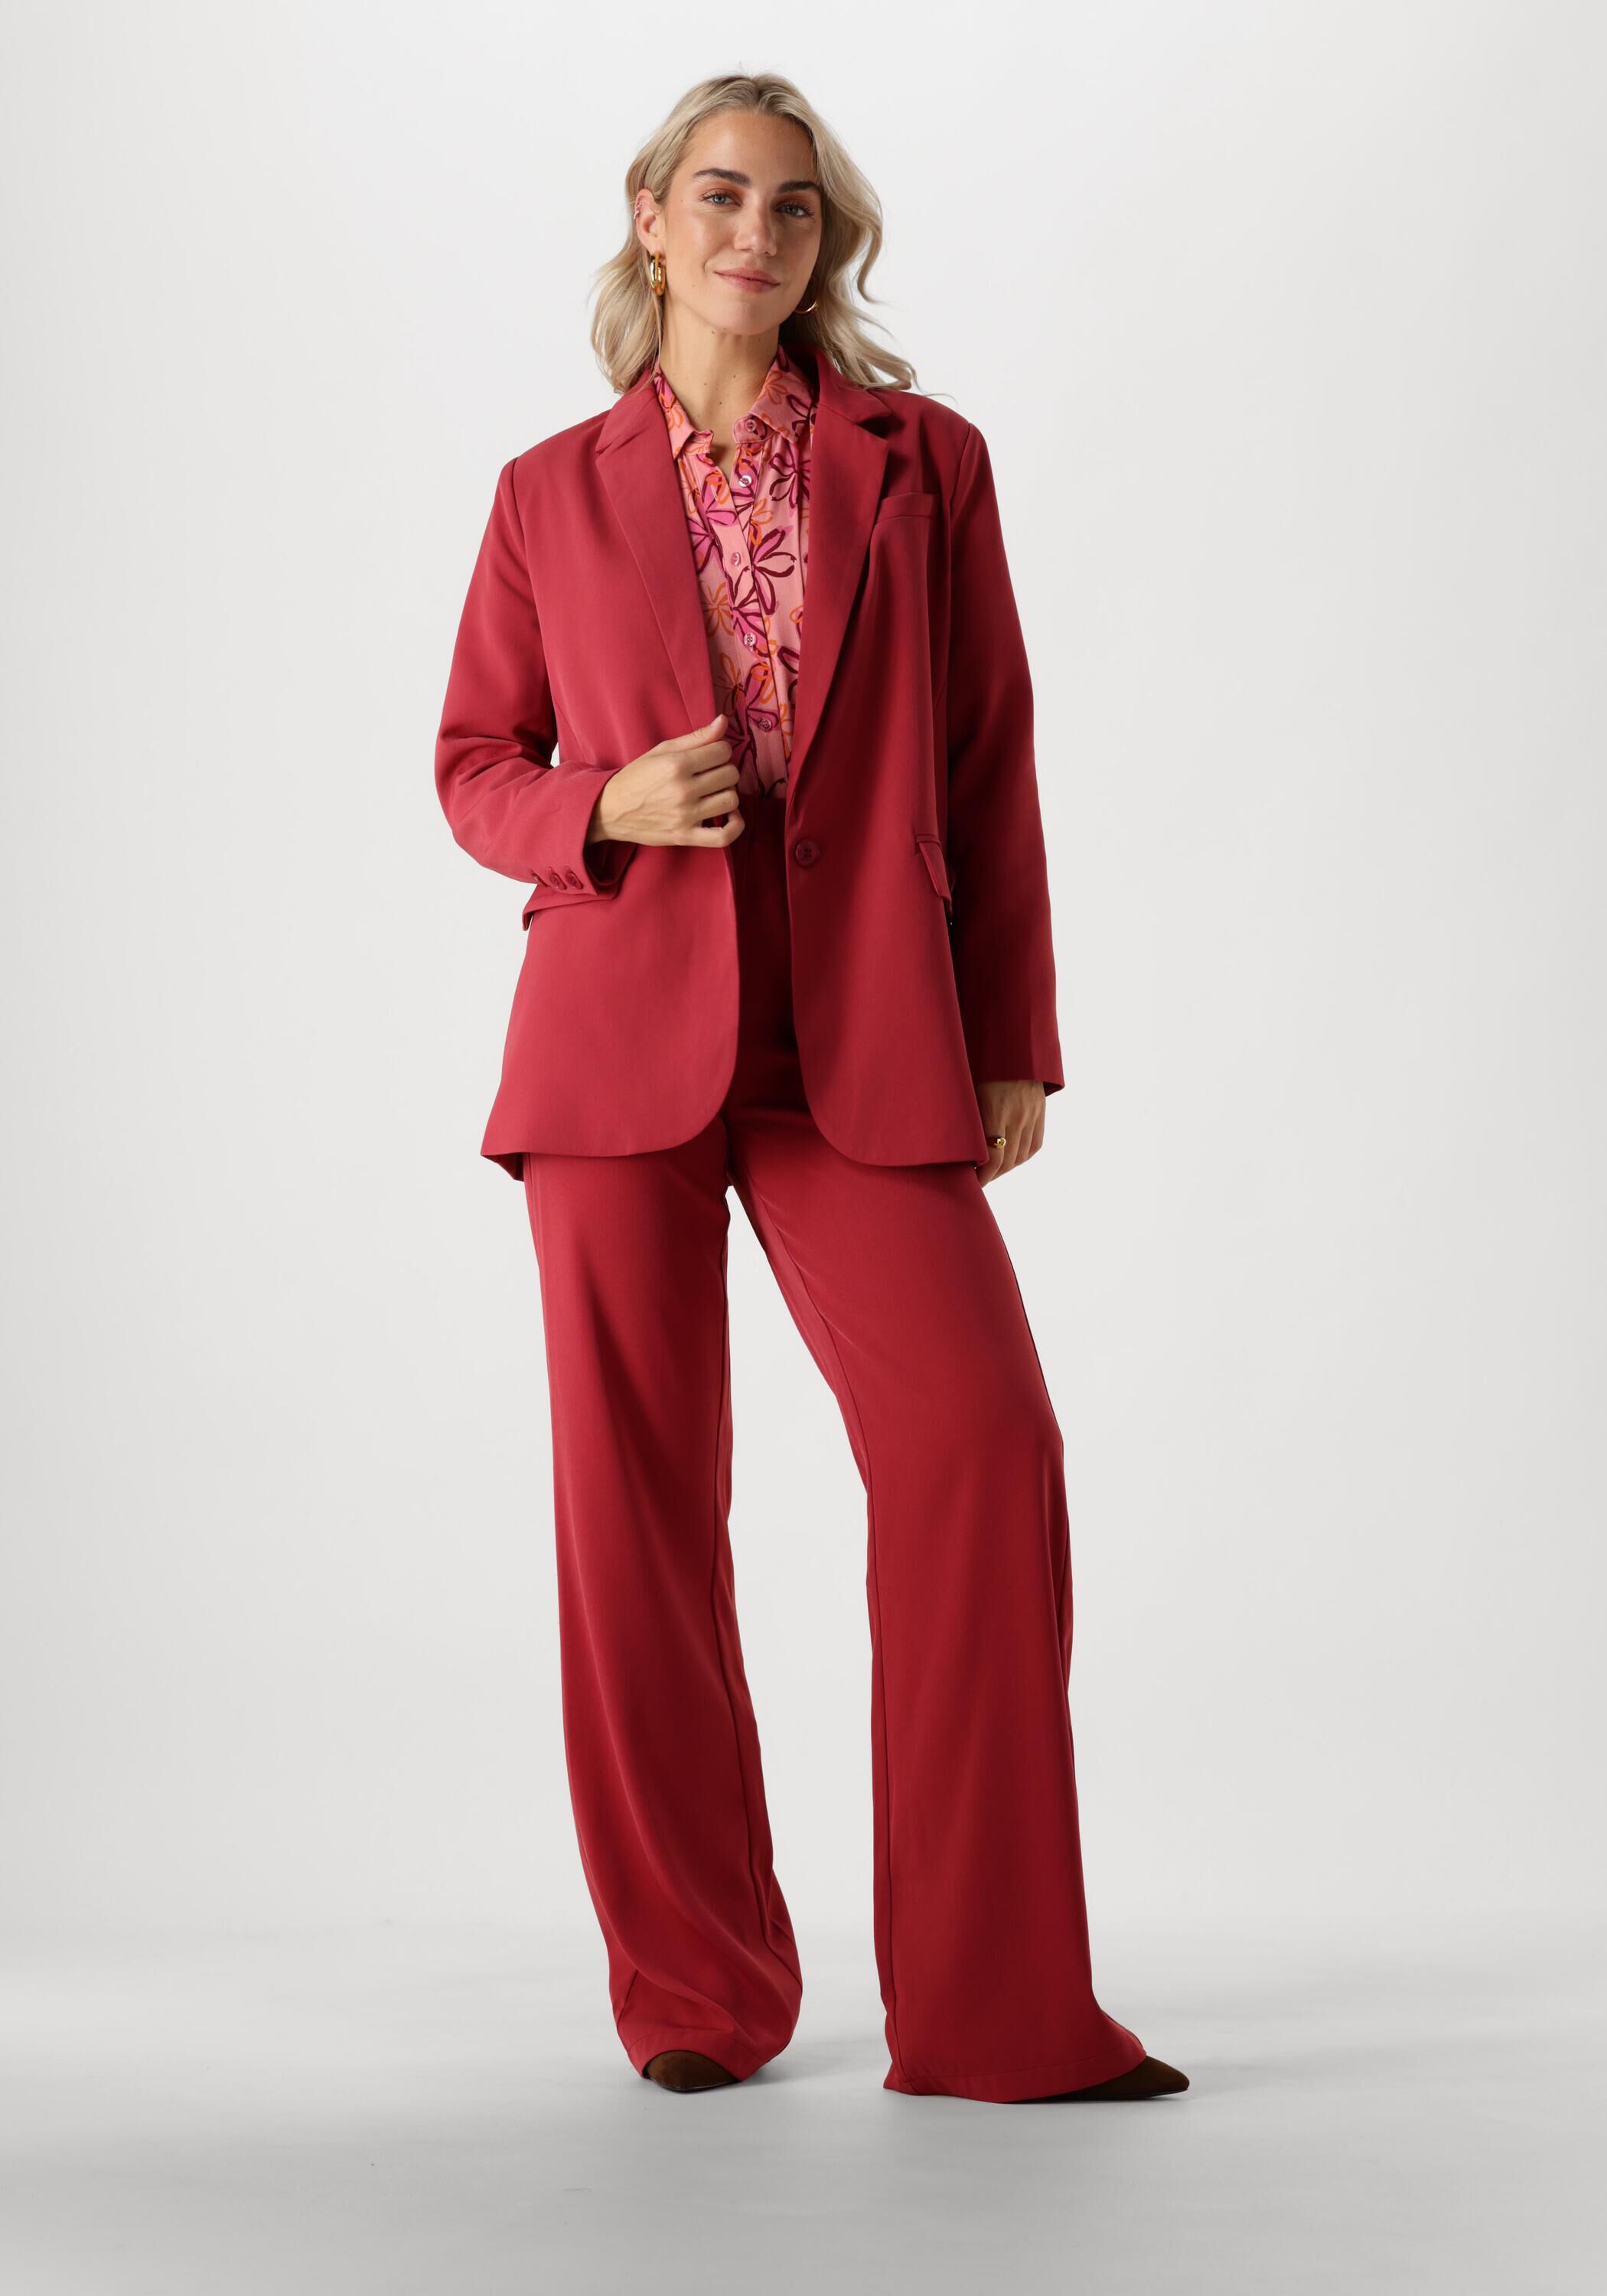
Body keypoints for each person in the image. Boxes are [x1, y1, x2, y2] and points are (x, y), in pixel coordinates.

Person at [433, 71, 1187, 2107]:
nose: (754, 235)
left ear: (821, 243)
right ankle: (694, 1986)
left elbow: (988, 757)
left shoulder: (921, 464)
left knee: (980, 1453)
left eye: (791, 208)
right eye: (719, 197)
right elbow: (473, 766)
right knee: (636, 1516)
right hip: (614, 1046)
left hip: (861, 1036)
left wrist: (1012, 1033)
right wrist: (601, 806)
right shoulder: (546, 490)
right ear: (652, 218)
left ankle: (995, 2008)